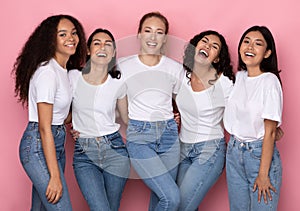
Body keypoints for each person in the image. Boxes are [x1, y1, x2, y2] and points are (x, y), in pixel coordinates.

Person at [13, 14, 87, 210]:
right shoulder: (47, 73)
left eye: (73, 33)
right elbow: (45, 127)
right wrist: (54, 176)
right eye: (62, 34)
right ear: (50, 40)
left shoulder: (64, 71)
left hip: (56, 143)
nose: (71, 38)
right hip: (38, 145)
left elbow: (61, 118)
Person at [117, 12, 183, 211]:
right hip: (139, 136)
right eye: (148, 31)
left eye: (159, 32)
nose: (153, 37)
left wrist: (177, 118)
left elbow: (185, 102)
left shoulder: (174, 68)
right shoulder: (123, 66)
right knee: (172, 198)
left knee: (161, 198)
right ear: (138, 34)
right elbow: (112, 101)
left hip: (170, 136)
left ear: (165, 39)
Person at [68, 28, 130, 211]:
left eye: (108, 44)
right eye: (97, 43)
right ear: (88, 50)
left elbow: (126, 118)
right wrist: (70, 123)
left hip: (115, 151)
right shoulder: (73, 77)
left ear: (113, 53)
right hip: (84, 154)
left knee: (112, 207)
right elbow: (61, 109)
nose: (102, 47)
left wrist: (166, 119)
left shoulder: (118, 83)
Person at [224, 26, 283, 211]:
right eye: (246, 41)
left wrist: (263, 174)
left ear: (267, 53)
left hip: (258, 156)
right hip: (233, 152)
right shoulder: (239, 77)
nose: (250, 47)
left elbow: (271, 131)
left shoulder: (269, 81)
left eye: (258, 44)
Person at [175, 30, 235, 211]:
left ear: (216, 59)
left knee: (182, 206)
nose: (207, 46)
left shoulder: (224, 83)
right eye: (205, 42)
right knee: (181, 203)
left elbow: (240, 113)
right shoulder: (181, 76)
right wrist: (173, 116)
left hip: (209, 150)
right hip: (182, 149)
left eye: (214, 46)